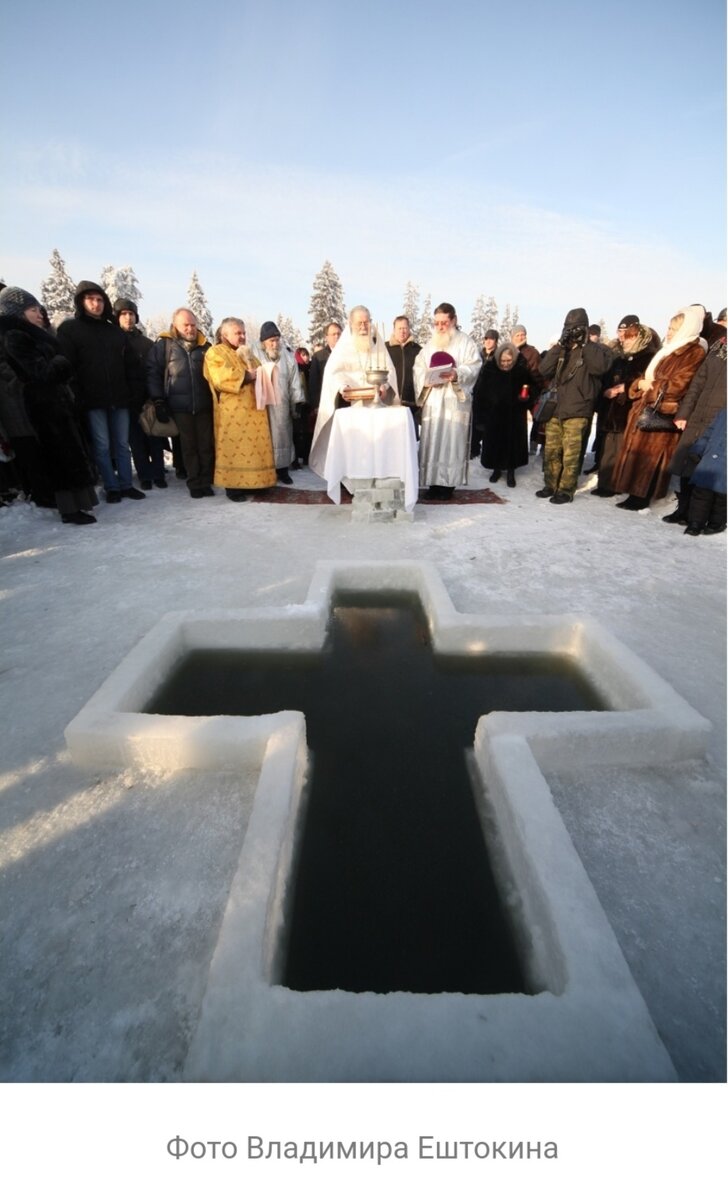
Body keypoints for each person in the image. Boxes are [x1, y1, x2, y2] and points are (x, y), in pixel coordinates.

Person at [0, 286, 98, 524]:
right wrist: (62, 363)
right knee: (59, 457)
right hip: (42, 406)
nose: (39, 313)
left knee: (71, 452)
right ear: (18, 312)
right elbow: (39, 372)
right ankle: (69, 510)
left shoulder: (35, 334)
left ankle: (80, 503)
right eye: (32, 309)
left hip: (55, 402)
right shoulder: (16, 337)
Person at [57, 280, 145, 503]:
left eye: (99, 299)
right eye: (90, 299)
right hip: (92, 399)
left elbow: (131, 365)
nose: (95, 304)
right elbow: (67, 367)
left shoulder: (114, 332)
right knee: (103, 445)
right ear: (81, 302)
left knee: (123, 444)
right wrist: (77, 395)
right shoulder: (70, 330)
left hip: (120, 397)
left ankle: (126, 484)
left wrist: (133, 391)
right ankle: (111, 486)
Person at [612, 305, 707, 511]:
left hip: (662, 411)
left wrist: (652, 387)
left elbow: (681, 384)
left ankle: (642, 495)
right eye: (669, 328)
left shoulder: (693, 352)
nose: (669, 332)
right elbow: (648, 376)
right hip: (646, 406)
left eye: (674, 329)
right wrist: (638, 385)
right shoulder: (669, 350)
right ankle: (632, 492)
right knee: (638, 453)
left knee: (651, 457)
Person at [309, 306, 397, 477]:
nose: (364, 327)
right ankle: (347, 479)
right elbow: (333, 373)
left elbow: (390, 371)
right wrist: (343, 387)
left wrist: (384, 387)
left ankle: (373, 475)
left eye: (367, 322)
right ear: (351, 324)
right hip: (349, 406)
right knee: (351, 447)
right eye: (359, 323)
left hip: (375, 407)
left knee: (373, 445)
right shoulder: (343, 346)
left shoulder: (376, 344)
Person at [536, 307, 612, 504]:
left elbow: (600, 368)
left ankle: (566, 490)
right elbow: (543, 370)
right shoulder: (562, 350)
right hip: (555, 408)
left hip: (578, 410)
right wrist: (560, 344)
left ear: (585, 329)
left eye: (576, 328)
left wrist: (585, 343)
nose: (572, 332)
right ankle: (550, 484)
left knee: (571, 454)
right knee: (551, 451)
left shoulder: (596, 351)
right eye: (569, 328)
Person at [413, 302, 481, 499]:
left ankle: (448, 485)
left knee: (451, 442)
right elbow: (418, 368)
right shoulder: (430, 345)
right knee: (432, 440)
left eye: (444, 322)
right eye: (437, 323)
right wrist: (425, 379)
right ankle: (433, 483)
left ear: (454, 320)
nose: (440, 327)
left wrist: (456, 373)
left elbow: (475, 366)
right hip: (434, 400)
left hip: (454, 400)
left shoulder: (466, 343)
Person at [203, 318, 276, 501]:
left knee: (256, 447)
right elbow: (220, 378)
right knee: (233, 448)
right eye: (238, 333)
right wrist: (248, 376)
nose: (243, 336)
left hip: (255, 409)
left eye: (244, 332)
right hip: (232, 413)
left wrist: (266, 373)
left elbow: (259, 370)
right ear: (224, 334)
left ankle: (258, 482)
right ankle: (234, 486)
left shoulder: (248, 353)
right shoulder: (215, 352)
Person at [146, 308, 214, 499]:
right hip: (179, 406)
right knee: (188, 447)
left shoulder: (205, 347)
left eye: (193, 325)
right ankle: (194, 483)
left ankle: (206, 481)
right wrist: (158, 400)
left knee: (206, 445)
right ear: (175, 325)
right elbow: (153, 373)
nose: (190, 329)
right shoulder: (164, 346)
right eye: (186, 325)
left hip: (204, 404)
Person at [663, 330, 726, 524]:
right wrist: (684, 413)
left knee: (706, 470)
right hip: (697, 415)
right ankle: (682, 509)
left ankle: (700, 515)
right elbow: (697, 384)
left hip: (719, 421)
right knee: (686, 463)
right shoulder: (718, 349)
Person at [594, 316, 659, 497]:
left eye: (630, 337)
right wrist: (606, 391)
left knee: (623, 450)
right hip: (612, 410)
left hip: (630, 412)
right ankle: (605, 484)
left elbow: (645, 382)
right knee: (608, 449)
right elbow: (607, 380)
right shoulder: (619, 358)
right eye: (625, 336)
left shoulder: (648, 358)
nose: (626, 340)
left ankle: (617, 484)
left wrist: (627, 386)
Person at [112, 298, 165, 490]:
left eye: (131, 314)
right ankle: (145, 475)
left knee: (155, 436)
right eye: (123, 314)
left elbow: (155, 370)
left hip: (148, 396)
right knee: (136, 440)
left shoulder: (146, 343)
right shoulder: (113, 341)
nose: (128, 318)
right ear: (117, 317)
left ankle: (159, 473)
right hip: (126, 398)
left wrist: (156, 397)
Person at [476, 341, 534, 487]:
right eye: (502, 361)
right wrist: (482, 414)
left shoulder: (521, 372)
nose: (506, 364)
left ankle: (510, 471)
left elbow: (531, 389)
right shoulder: (490, 370)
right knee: (495, 442)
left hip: (514, 415)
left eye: (509, 361)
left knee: (512, 444)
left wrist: (525, 398)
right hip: (494, 415)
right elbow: (481, 392)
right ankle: (496, 469)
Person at [253, 321, 304, 484]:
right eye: (271, 341)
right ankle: (265, 470)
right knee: (264, 436)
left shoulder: (287, 356)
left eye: (277, 340)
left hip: (281, 403)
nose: (275, 344)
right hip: (260, 404)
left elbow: (294, 380)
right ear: (263, 341)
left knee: (282, 435)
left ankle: (282, 470)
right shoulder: (254, 352)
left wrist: (297, 400)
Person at [682, 408, 726, 535]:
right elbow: (709, 432)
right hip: (711, 456)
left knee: (721, 496)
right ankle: (695, 523)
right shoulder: (723, 413)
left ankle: (716, 523)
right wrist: (698, 448)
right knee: (701, 492)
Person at [386, 315, 421, 428]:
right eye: (399, 328)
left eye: (405, 328)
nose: (402, 331)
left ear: (409, 329)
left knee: (411, 439)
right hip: (390, 404)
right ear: (394, 330)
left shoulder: (418, 350)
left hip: (411, 404)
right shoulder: (385, 349)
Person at [471, 328, 500, 457]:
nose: (488, 341)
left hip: (491, 396)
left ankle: (487, 452)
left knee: (489, 425)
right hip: (476, 393)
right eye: (486, 338)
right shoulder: (477, 355)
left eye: (491, 339)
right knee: (475, 424)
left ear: (496, 341)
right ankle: (474, 449)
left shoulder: (498, 356)